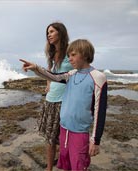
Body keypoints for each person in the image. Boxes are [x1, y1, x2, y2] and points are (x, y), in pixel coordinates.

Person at [20, 39, 107, 171]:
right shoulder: (71, 74)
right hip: (64, 129)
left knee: (79, 166)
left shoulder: (98, 77)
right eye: (68, 56)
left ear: (84, 54)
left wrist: (95, 141)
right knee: (66, 165)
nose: (69, 59)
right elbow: (53, 76)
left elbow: (99, 112)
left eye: (73, 55)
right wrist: (36, 68)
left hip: (80, 132)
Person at [39, 22, 73, 171]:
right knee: (50, 139)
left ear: (61, 33)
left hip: (64, 101)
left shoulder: (71, 51)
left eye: (52, 31)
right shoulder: (52, 53)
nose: (49, 35)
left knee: (64, 138)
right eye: (48, 32)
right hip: (50, 100)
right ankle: (49, 168)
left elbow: (78, 71)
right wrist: (48, 85)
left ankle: (65, 164)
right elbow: (50, 71)